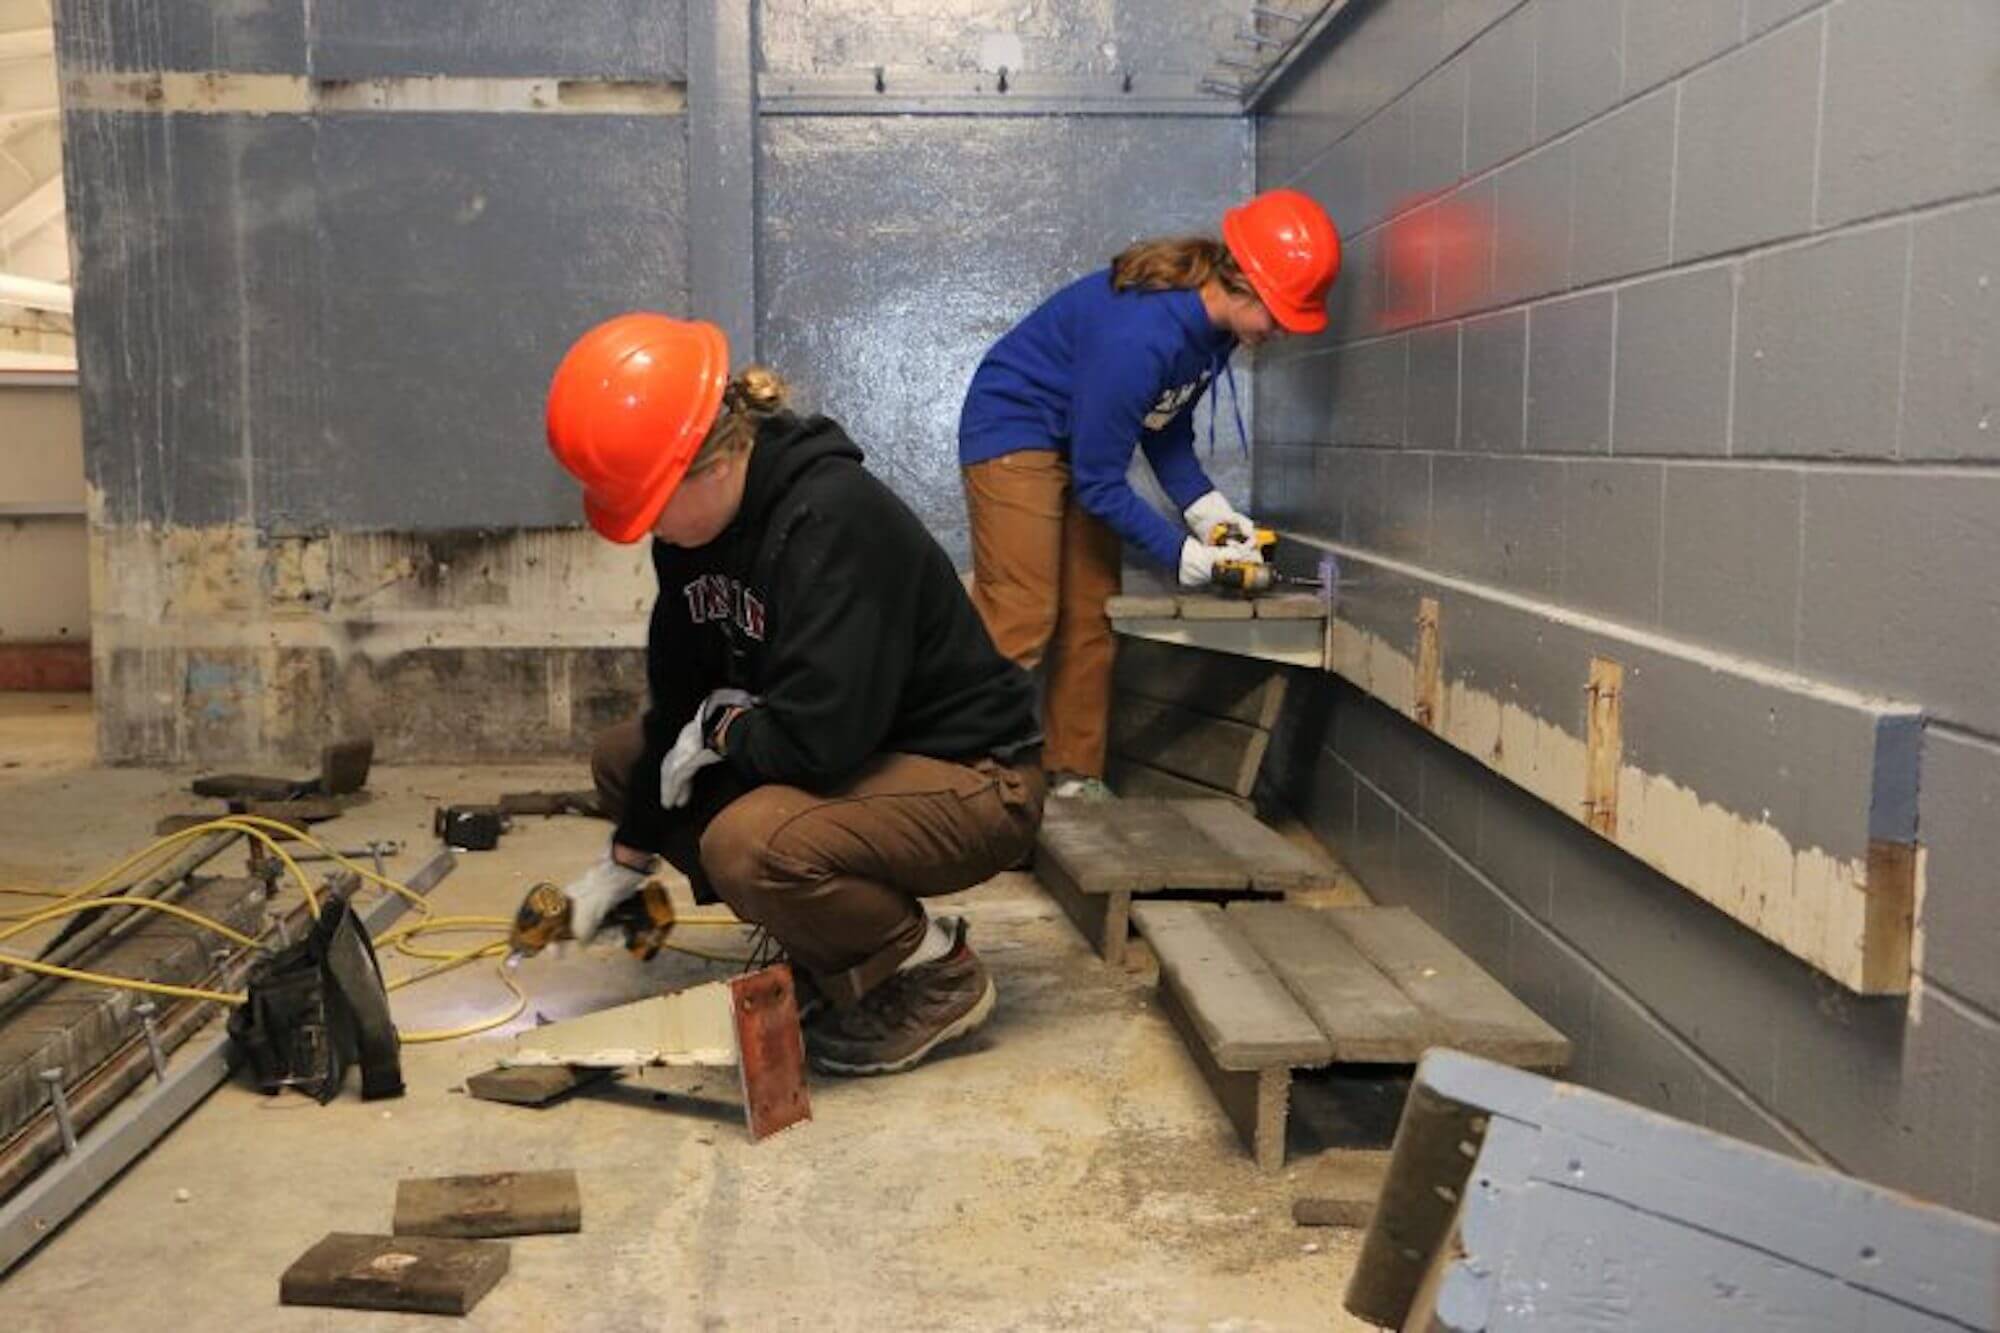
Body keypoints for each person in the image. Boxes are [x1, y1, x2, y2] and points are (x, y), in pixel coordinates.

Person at [543, 313, 1045, 1076]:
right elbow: (676, 695)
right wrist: (627, 857)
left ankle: (933, 969)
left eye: (649, 505)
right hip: (862, 753)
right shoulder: (693, 536)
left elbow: (816, 744)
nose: (646, 528)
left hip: (973, 778)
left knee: (751, 844)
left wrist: (721, 730)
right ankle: (831, 951)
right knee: (625, 759)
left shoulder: (834, 520)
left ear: (712, 465)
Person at [957, 188, 1340, 799]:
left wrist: (1211, 515)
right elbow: (1100, 481)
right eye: (1280, 315)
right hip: (1014, 430)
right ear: (1243, 285)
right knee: (1024, 612)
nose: (1282, 333)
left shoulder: (1215, 334)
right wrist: (1183, 556)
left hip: (1082, 443)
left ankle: (1074, 777)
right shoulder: (1142, 335)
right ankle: (957, 780)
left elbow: (1163, 430)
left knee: (1091, 612)